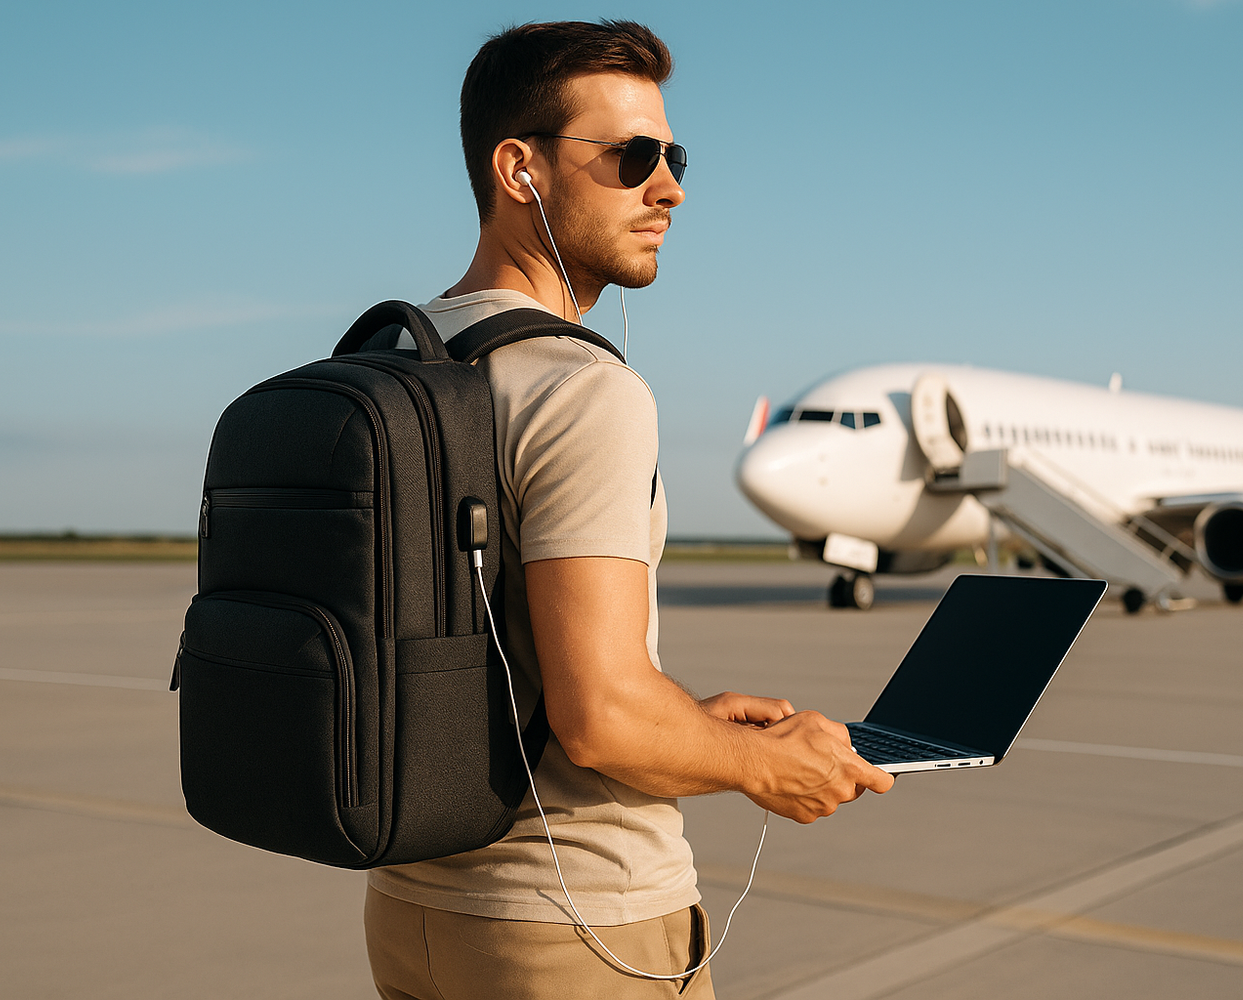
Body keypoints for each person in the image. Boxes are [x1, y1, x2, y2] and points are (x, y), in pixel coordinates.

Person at [363, 21, 894, 1000]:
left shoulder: (394, 358)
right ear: (519, 170)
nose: (670, 189)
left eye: (674, 159)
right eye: (633, 156)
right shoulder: (578, 388)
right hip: (579, 929)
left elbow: (496, 662)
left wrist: (684, 719)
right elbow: (602, 719)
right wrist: (760, 765)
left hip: (416, 914)